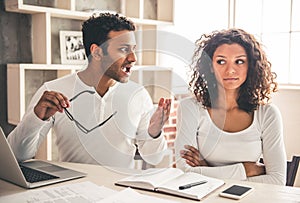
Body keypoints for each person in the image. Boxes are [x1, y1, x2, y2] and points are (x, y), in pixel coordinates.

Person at [8, 13, 171, 169]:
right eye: (123, 49)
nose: (133, 58)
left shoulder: (138, 95)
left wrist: (154, 132)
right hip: (73, 193)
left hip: (120, 193)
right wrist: (36, 118)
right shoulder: (53, 91)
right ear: (97, 52)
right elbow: (16, 156)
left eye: (133, 49)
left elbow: (154, 158)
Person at [174, 28, 286, 185]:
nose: (230, 70)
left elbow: (277, 180)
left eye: (239, 61)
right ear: (210, 66)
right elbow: (185, 172)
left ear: (251, 66)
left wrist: (206, 171)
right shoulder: (190, 108)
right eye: (221, 61)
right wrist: (246, 170)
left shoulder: (267, 114)